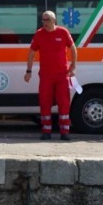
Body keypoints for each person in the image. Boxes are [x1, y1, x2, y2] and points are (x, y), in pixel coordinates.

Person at [25, 10, 77, 141]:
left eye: (47, 19)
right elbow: (31, 53)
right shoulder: (39, 34)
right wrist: (28, 71)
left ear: (54, 20)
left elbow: (73, 49)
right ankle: (46, 131)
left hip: (61, 75)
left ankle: (64, 132)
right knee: (45, 102)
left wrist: (73, 66)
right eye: (43, 19)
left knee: (64, 102)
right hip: (46, 76)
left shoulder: (63, 32)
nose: (44, 22)